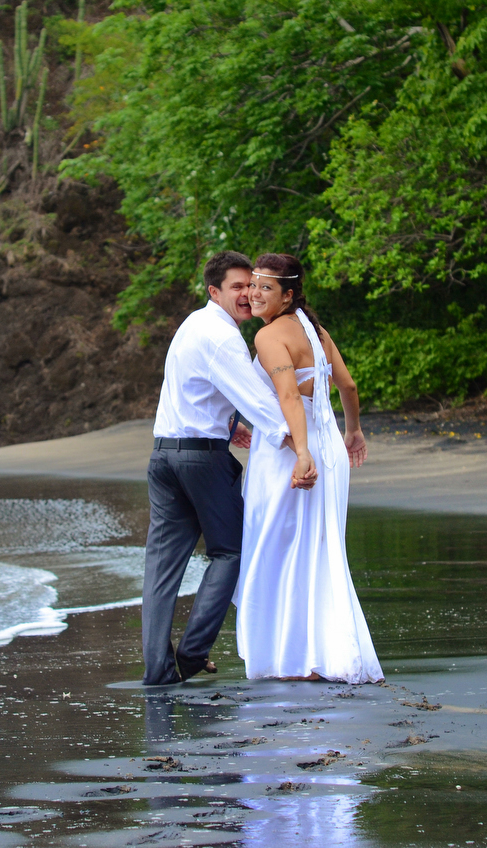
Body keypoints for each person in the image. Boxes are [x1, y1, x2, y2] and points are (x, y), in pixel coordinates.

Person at [142, 251, 315, 686]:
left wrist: (231, 425)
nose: (247, 295)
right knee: (232, 551)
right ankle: (193, 652)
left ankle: (158, 671)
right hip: (201, 460)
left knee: (162, 568)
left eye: (252, 286)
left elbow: (202, 390)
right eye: (237, 287)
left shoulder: (191, 326)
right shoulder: (222, 336)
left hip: (164, 455)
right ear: (214, 291)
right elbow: (258, 400)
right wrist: (299, 444)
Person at [233, 253, 383, 683]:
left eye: (265, 287)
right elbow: (348, 386)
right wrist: (352, 431)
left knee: (276, 548)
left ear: (290, 293)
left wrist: (301, 453)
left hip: (291, 453)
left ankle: (293, 659)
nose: (254, 294)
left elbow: (287, 397)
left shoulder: (268, 337)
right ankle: (320, 654)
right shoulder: (315, 331)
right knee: (319, 549)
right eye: (253, 285)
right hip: (329, 445)